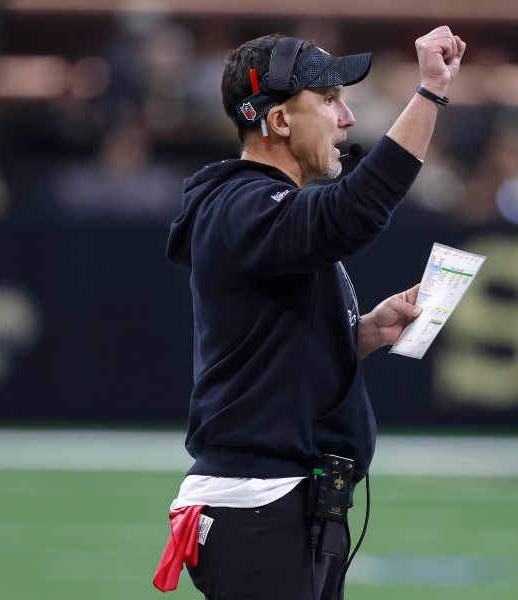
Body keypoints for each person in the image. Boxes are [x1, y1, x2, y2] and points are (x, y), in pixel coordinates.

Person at [153, 26, 466, 600]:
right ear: (277, 121)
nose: (347, 118)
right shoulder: (241, 204)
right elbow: (353, 212)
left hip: (287, 503)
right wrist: (428, 95)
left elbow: (274, 349)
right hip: (258, 505)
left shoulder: (257, 213)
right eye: (327, 100)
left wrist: (361, 335)